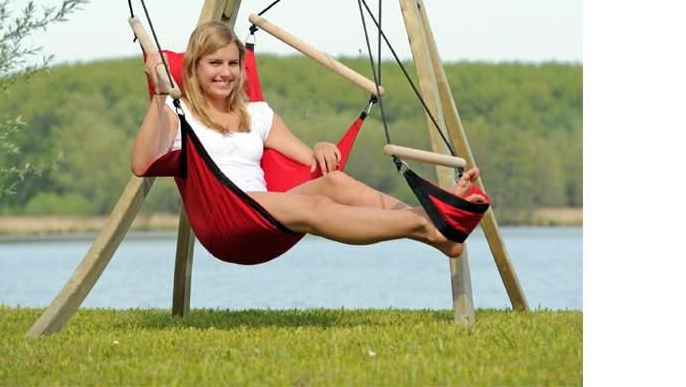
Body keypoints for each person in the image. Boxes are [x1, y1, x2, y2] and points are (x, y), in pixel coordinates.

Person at [131, 21, 487, 258]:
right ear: (193, 67)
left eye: (233, 64)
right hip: (228, 217)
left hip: (265, 211)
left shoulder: (258, 114)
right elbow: (141, 163)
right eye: (214, 63)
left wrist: (320, 147)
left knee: (334, 182)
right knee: (315, 208)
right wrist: (159, 95)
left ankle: (436, 229)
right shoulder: (177, 112)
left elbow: (310, 164)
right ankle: (429, 219)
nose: (226, 73)